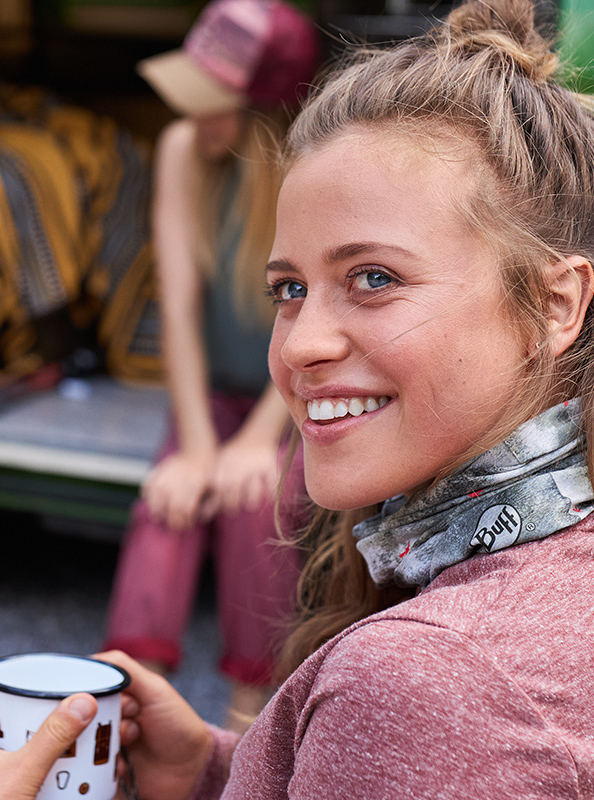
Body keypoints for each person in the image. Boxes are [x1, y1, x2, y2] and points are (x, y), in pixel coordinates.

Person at [3, 0, 594, 797]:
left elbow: (434, 734)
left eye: (374, 278)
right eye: (288, 288)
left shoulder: (414, 681)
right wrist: (221, 769)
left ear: (556, 305)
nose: (302, 342)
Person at [101, 0, 319, 733]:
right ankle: (126, 703)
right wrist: (195, 446)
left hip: (287, 394)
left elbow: (307, 326)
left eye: (213, 105)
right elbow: (182, 313)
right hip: (208, 397)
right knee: (166, 503)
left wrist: (260, 439)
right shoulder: (181, 150)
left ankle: (247, 724)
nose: (195, 118)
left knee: (257, 503)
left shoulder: (301, 176)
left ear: (263, 115)